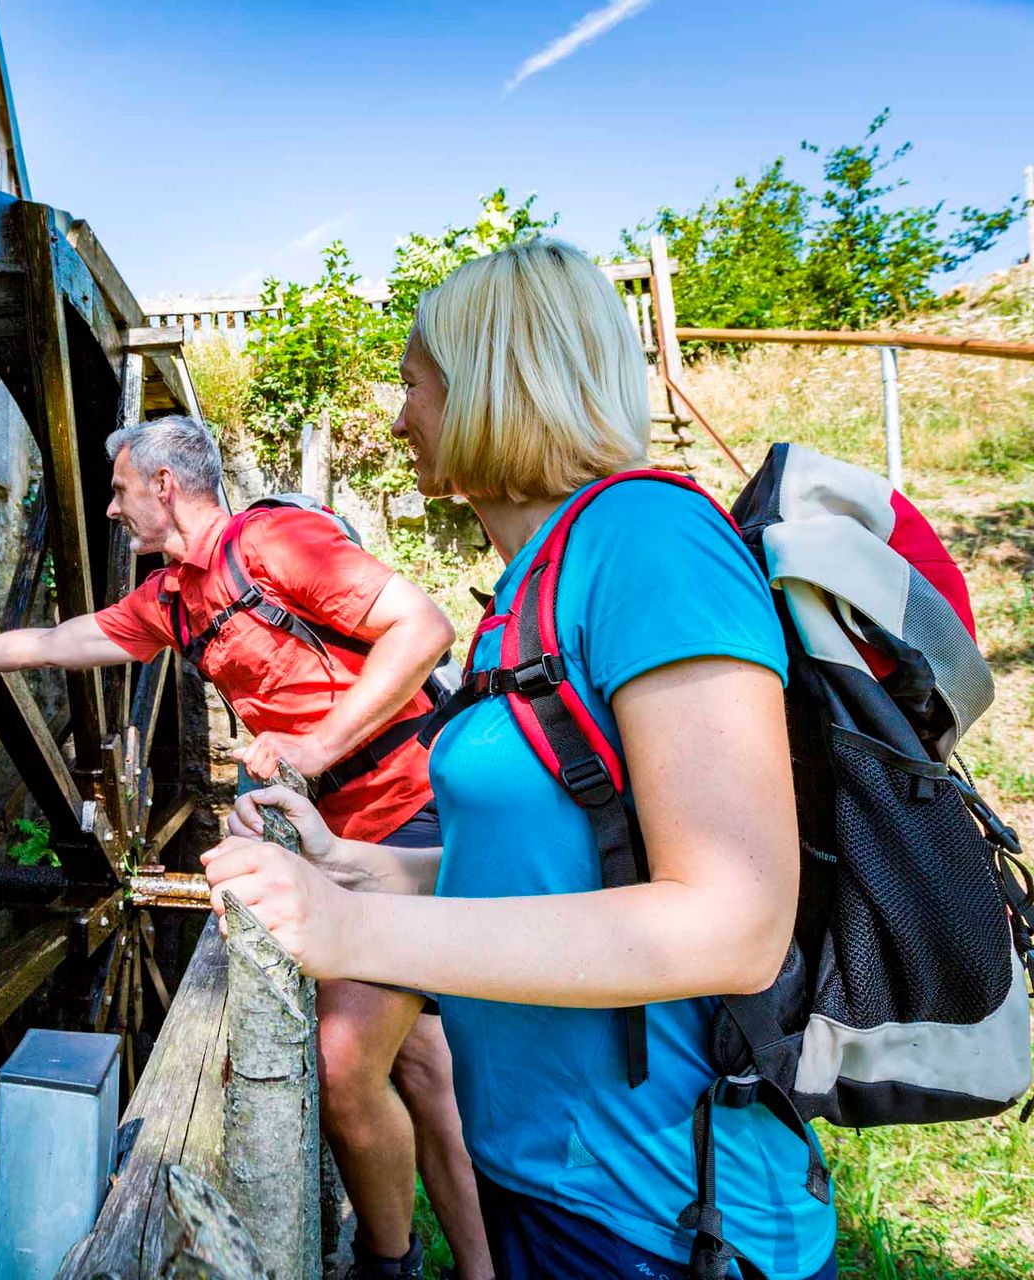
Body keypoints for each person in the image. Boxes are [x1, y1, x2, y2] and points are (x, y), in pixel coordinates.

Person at [203, 237, 837, 1279]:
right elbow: (564, 859)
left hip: (662, 1219)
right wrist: (361, 867)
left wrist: (357, 929)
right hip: (543, 1176)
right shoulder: (532, 584)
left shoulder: (650, 541)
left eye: (414, 383)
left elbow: (735, 921)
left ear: (490, 382)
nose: (399, 417)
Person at [0, 416, 493, 1279]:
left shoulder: (274, 543)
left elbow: (423, 627)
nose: (112, 508)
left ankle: (385, 1262)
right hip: (337, 833)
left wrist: (314, 749)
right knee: (422, 1069)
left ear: (165, 485)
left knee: (344, 1065)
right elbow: (57, 643)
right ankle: (480, 1268)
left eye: (121, 489)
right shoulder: (173, 598)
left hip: (411, 812)